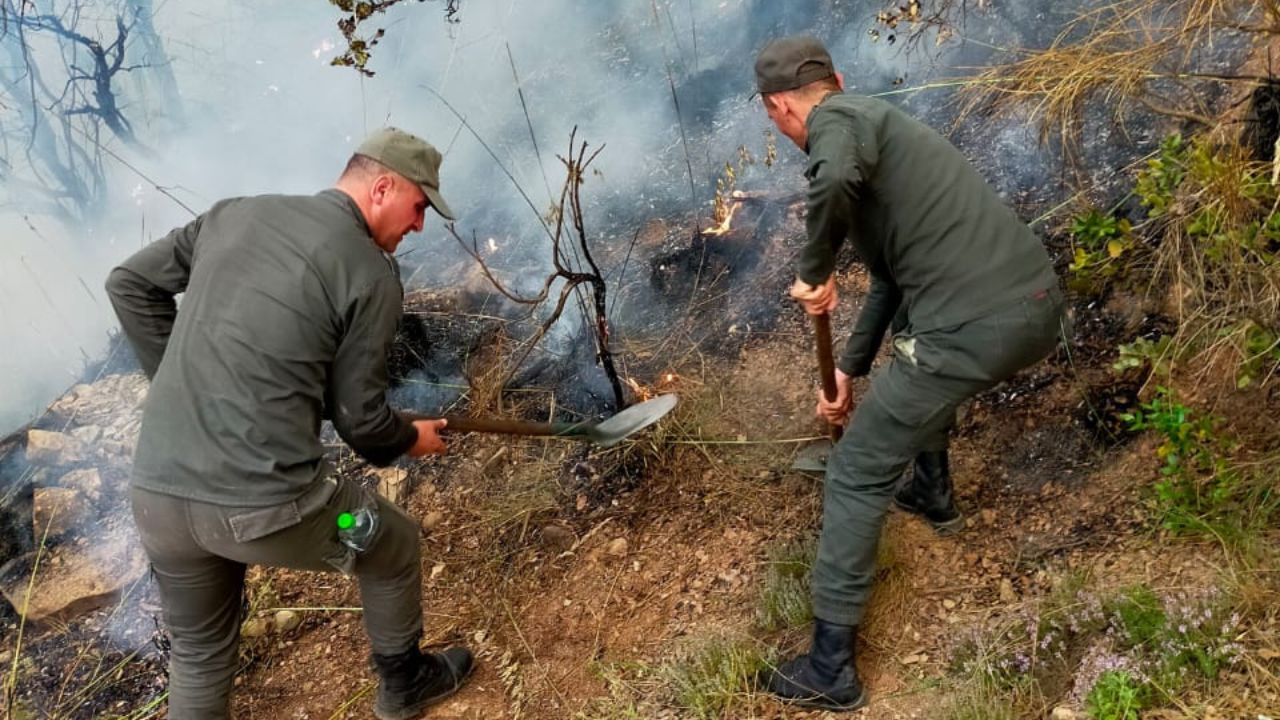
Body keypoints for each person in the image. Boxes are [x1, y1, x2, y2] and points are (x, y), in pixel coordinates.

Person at [105, 127, 473, 720]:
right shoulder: (371, 274)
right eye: (420, 207)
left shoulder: (233, 215)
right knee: (390, 540)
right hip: (266, 507)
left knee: (199, 655)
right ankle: (404, 685)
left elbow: (129, 283)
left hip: (159, 500)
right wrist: (411, 438)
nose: (419, 225)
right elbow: (362, 423)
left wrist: (183, 382)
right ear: (383, 187)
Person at [754, 36, 1066, 710]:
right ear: (835, 75)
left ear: (779, 108)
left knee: (857, 468)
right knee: (909, 340)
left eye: (776, 119)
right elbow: (894, 281)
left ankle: (829, 668)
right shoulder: (875, 128)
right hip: (1030, 305)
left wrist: (813, 271)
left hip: (975, 324)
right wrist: (847, 373)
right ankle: (932, 492)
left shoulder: (837, 127)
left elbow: (831, 180)